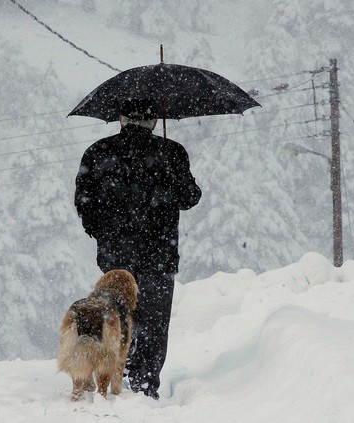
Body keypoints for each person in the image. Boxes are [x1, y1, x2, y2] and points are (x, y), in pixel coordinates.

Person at [74, 98, 202, 399]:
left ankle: (118, 373)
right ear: (155, 121)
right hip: (159, 254)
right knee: (154, 323)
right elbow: (190, 198)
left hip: (116, 258)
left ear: (121, 118)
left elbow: (84, 203)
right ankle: (145, 385)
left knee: (115, 317)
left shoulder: (97, 152)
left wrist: (103, 235)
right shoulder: (171, 152)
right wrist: (169, 175)